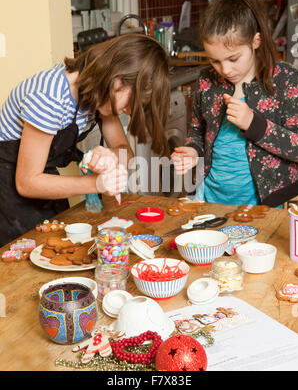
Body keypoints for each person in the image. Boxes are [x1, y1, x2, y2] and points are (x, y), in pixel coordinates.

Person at [0, 33, 170, 246]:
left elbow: (125, 151)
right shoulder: (50, 96)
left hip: (44, 181)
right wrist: (96, 183)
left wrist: (110, 156)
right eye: (130, 103)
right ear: (116, 80)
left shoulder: (97, 94)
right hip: (8, 190)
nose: (127, 112)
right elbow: (27, 182)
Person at [171, 0, 298, 208]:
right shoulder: (206, 81)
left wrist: (254, 124)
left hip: (269, 205)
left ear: (255, 41)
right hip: (212, 200)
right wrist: (192, 151)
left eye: (233, 59)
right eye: (215, 61)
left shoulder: (285, 80)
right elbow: (197, 131)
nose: (225, 70)